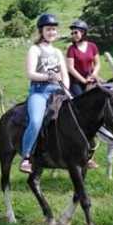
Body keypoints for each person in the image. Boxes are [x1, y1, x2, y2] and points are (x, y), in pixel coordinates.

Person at [19, 13, 70, 174]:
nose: (52, 32)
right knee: (35, 121)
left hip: (58, 91)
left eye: (54, 30)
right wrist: (48, 76)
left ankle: (82, 154)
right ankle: (26, 156)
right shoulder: (35, 49)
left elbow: (65, 75)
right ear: (41, 31)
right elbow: (30, 73)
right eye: (48, 29)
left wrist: (66, 89)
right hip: (39, 92)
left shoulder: (58, 52)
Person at [66, 19, 101, 97]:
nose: (73, 35)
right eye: (72, 33)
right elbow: (70, 68)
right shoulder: (71, 49)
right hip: (76, 81)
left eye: (76, 32)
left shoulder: (92, 46)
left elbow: (97, 63)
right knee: (81, 101)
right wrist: (84, 81)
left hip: (90, 77)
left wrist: (94, 74)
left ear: (83, 32)